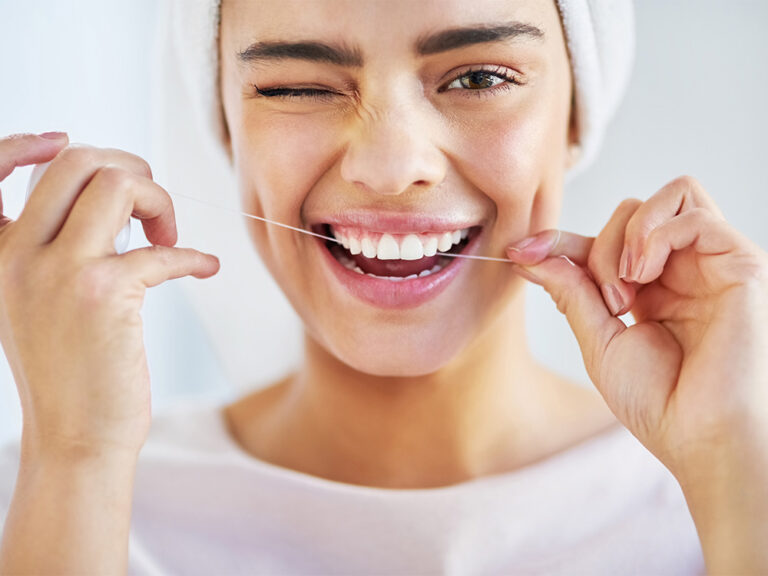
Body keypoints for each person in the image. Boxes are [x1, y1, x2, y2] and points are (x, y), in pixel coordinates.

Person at [0, 0, 766, 574]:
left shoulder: (722, 493)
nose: (392, 164)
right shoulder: (43, 497)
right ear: (227, 129)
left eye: (480, 77)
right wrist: (74, 461)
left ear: (575, 118)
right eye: (298, 87)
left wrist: (733, 464)